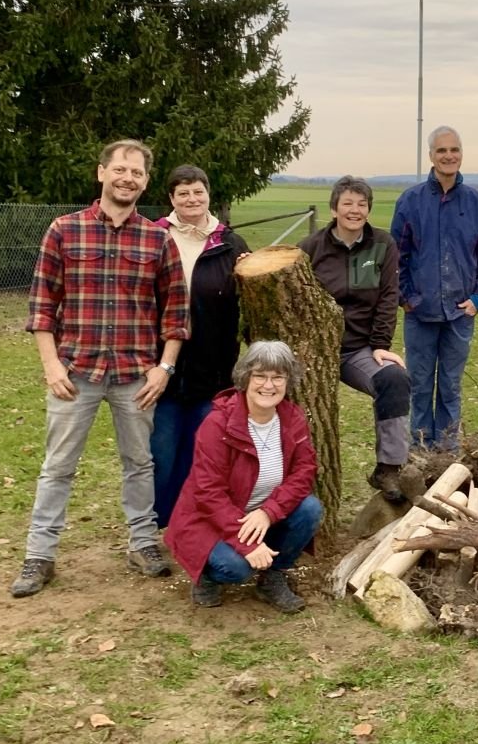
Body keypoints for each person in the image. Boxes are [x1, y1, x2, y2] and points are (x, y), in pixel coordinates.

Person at [12, 139, 189, 598]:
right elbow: (42, 306)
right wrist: (51, 366)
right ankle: (39, 556)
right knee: (58, 467)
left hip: (136, 375)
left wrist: (163, 368)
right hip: (75, 375)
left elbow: (176, 313)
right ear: (102, 173)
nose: (128, 178)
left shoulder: (157, 239)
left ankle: (143, 543)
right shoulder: (64, 231)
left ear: (146, 182)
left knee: (139, 463)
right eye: (121, 170)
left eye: (137, 173)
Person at [164, 341, 323, 612]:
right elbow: (208, 493)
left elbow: (304, 471)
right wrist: (243, 541)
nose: (268, 385)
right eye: (260, 376)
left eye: (278, 377)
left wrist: (269, 512)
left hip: (260, 515)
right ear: (245, 378)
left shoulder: (293, 418)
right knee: (237, 569)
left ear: (288, 381)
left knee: (310, 509)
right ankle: (206, 577)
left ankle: (273, 576)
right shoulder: (217, 425)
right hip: (210, 519)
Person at [150, 165, 251, 527]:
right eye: (183, 193)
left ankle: (193, 523)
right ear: (171, 199)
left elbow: (250, 299)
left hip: (214, 366)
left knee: (202, 452)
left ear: (208, 195)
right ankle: (157, 523)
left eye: (198, 192)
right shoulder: (154, 236)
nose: (191, 199)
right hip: (160, 367)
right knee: (160, 453)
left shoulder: (229, 242)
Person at [300, 176, 410, 501]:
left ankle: (389, 468)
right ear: (334, 208)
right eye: (347, 203)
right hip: (314, 351)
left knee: (395, 379)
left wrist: (380, 345)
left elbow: (389, 297)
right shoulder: (310, 248)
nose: (354, 210)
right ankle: (300, 477)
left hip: (357, 350)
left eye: (361, 204)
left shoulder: (382, 245)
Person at [391, 126, 478, 450]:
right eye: (442, 151)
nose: (448, 156)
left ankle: (447, 454)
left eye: (454, 150)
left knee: (450, 387)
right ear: (431, 157)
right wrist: (406, 297)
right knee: (420, 385)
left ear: (461, 154)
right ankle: (421, 451)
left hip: (459, 314)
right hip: (420, 313)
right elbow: (396, 256)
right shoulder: (411, 201)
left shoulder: (475, 203)